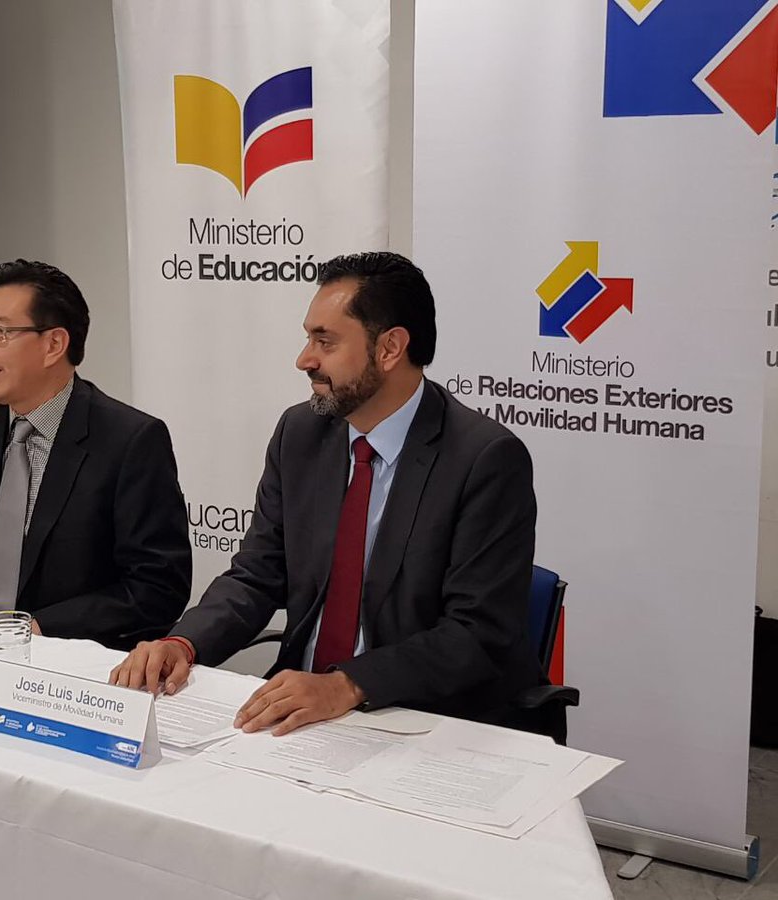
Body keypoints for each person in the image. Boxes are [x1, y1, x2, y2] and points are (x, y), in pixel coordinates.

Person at [111, 251, 557, 740]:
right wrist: (183, 643)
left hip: (423, 718)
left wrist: (347, 685)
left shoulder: (483, 458)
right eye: (309, 338)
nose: (305, 359)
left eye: (325, 342)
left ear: (389, 348)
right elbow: (257, 575)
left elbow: (476, 632)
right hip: (304, 715)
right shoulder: (301, 433)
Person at [0, 259, 191, 649]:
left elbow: (158, 588)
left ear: (53, 345)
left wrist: (40, 628)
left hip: (55, 658)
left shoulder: (129, 441)